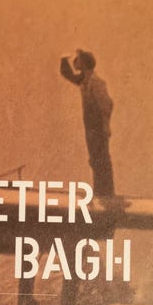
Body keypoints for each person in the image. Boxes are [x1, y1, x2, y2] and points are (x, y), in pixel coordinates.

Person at [60, 50, 115, 197]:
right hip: (91, 125)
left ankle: (106, 192)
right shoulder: (85, 80)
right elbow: (69, 75)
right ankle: (101, 190)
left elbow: (107, 104)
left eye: (78, 60)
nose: (75, 62)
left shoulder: (95, 82)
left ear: (84, 63)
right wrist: (63, 60)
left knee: (101, 158)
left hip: (98, 125)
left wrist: (106, 125)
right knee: (95, 158)